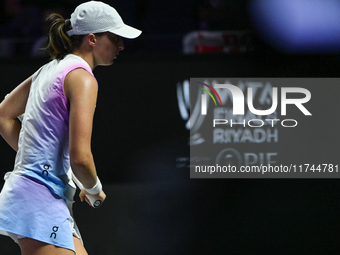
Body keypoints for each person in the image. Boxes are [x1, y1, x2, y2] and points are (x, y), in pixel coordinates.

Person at [0, 1, 141, 254]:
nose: (121, 45)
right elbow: (81, 158)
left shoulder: (48, 69)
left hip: (36, 196)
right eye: (115, 37)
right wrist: (94, 189)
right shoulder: (83, 79)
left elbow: (3, 116)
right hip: (39, 199)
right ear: (91, 39)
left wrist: (35, 157)